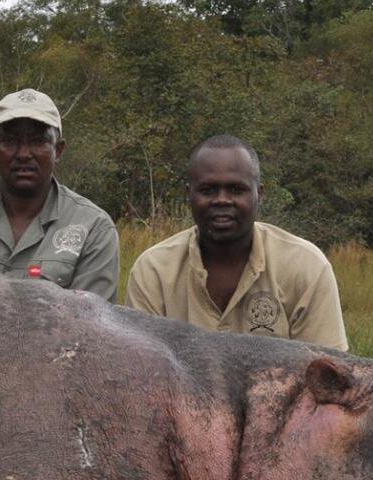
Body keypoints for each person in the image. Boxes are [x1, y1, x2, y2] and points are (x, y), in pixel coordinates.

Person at [125, 135, 347, 350]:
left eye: (236, 189)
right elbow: (144, 372)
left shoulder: (306, 266)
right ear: (189, 194)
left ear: (259, 194)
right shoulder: (152, 271)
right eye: (208, 190)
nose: (222, 200)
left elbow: (326, 374)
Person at [0, 87, 119, 299]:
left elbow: (90, 324)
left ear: (58, 150)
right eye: (10, 141)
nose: (24, 154)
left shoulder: (94, 228)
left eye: (38, 141)